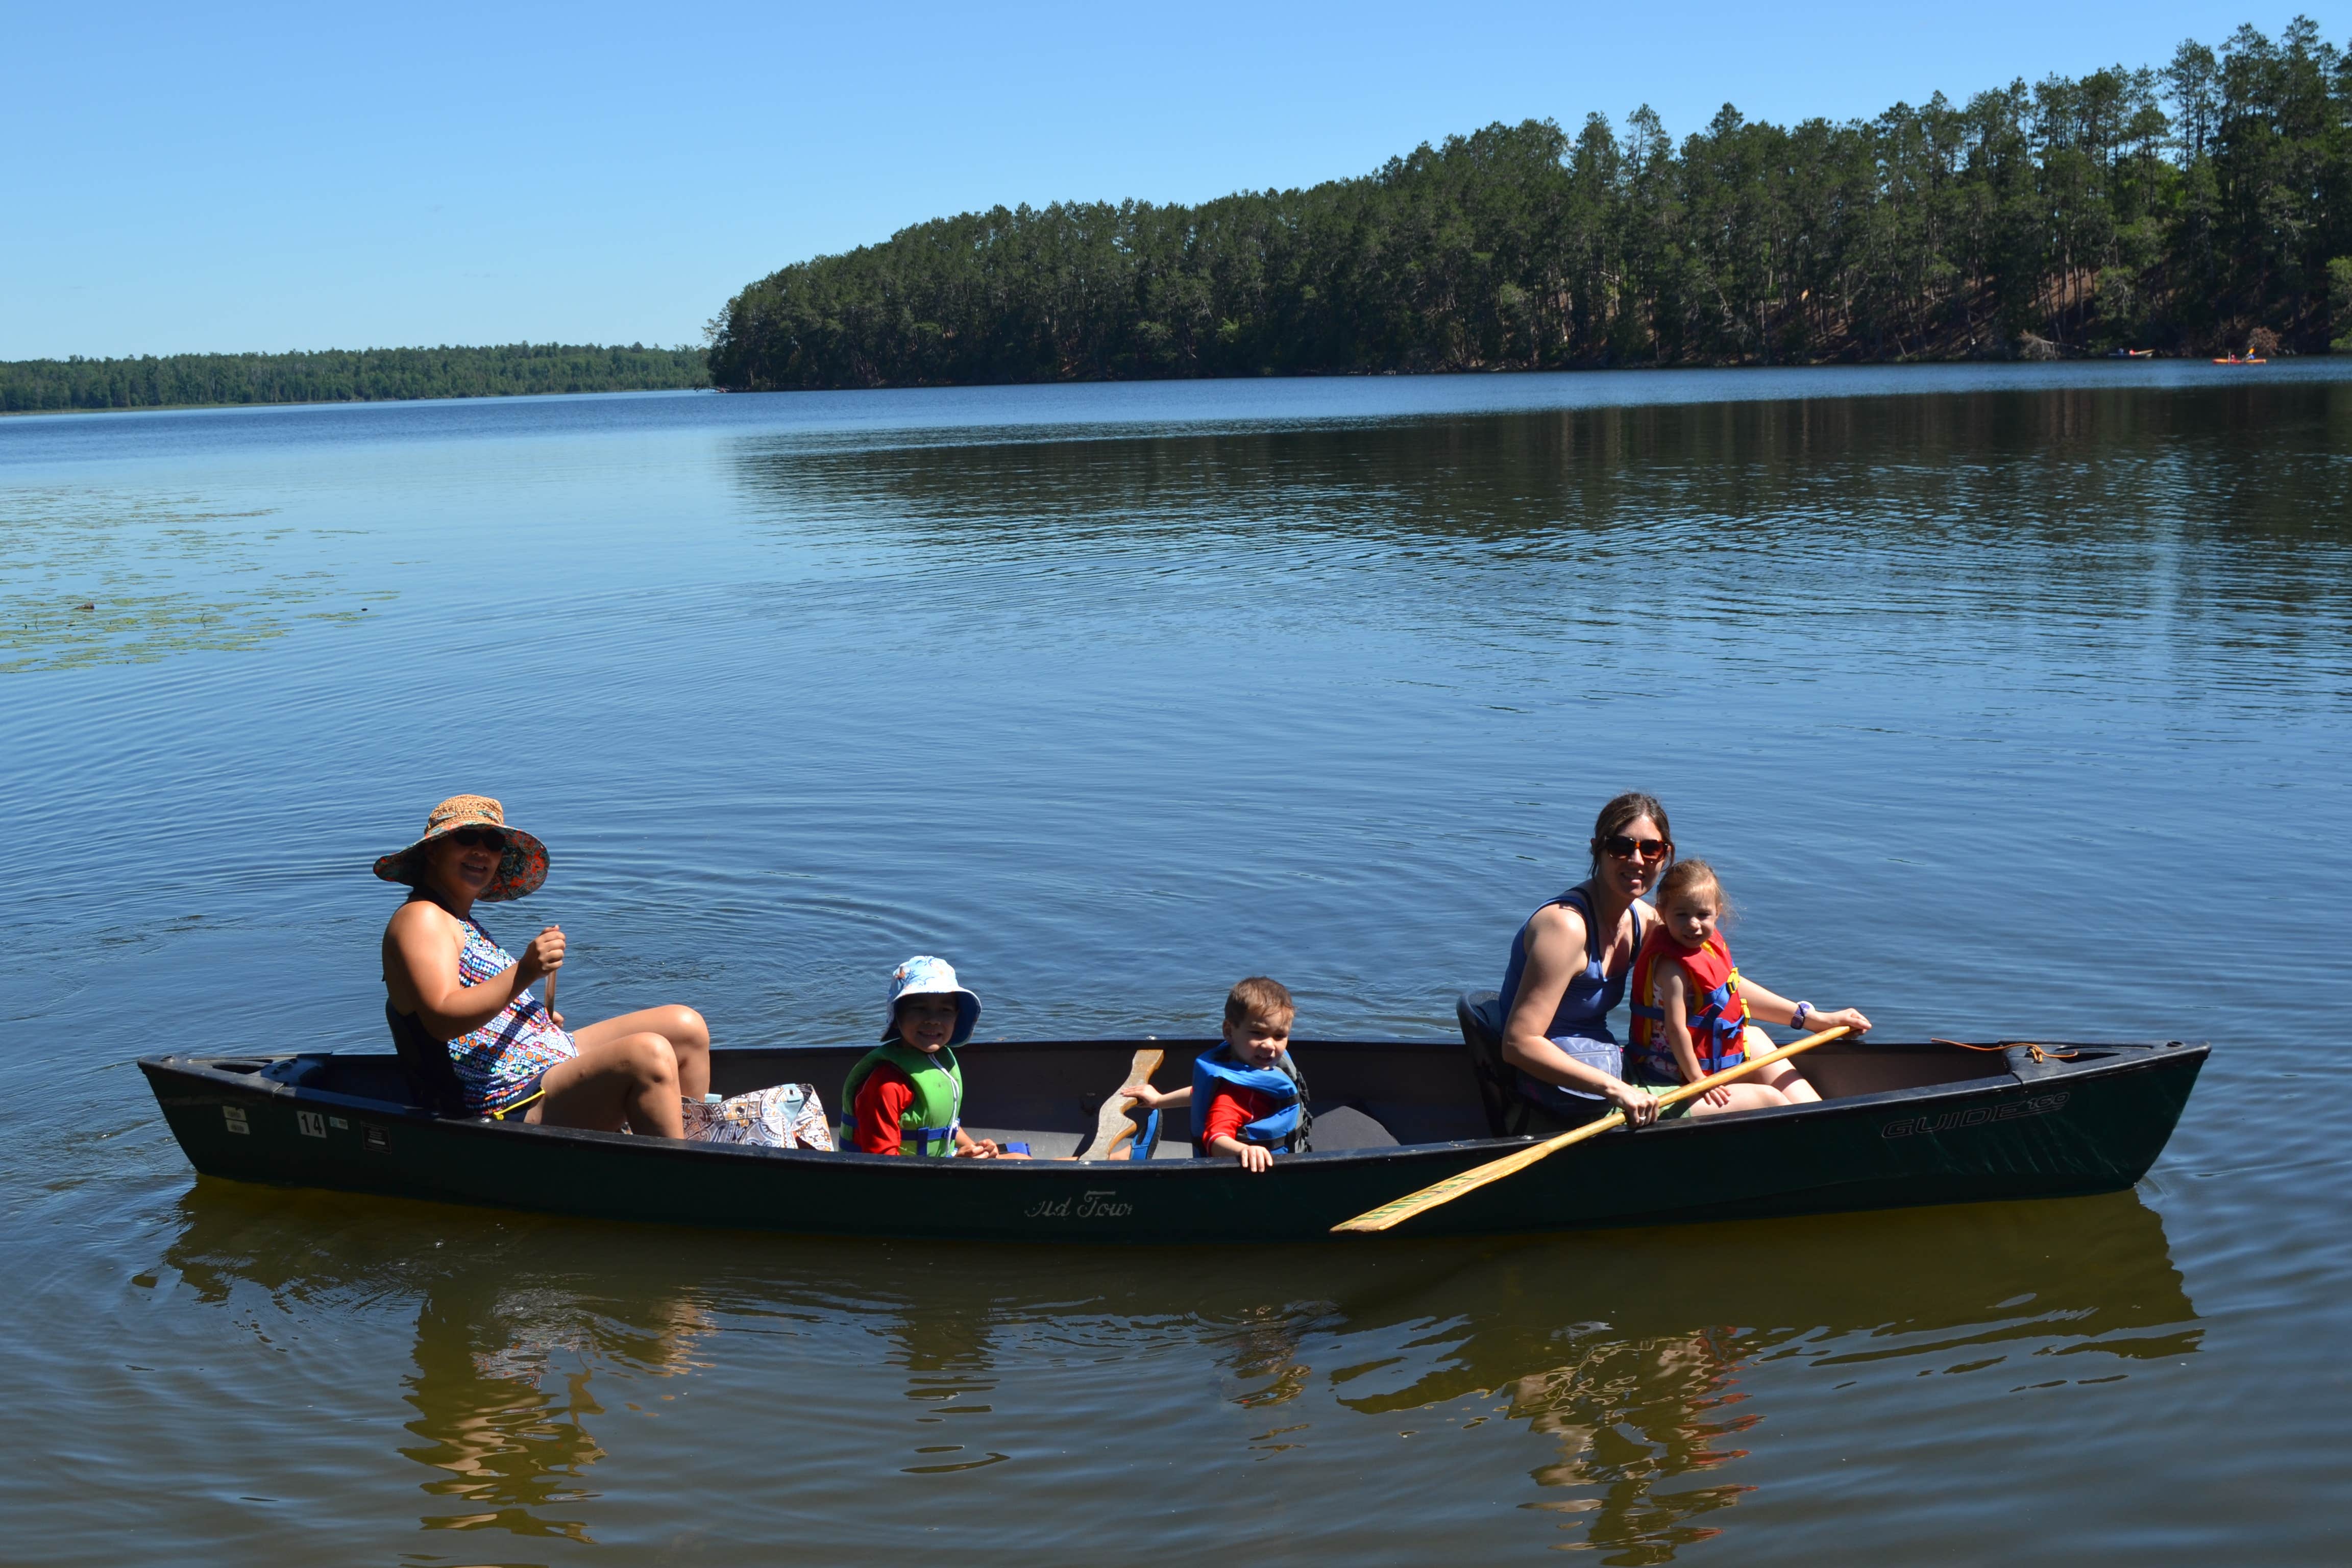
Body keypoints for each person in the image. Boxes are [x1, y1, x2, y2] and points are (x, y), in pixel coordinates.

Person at [377, 795, 711, 1137]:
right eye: (466, 839)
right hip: (504, 1098)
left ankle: (688, 1139)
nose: (481, 852)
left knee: (686, 1028)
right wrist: (525, 972)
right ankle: (679, 1175)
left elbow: (480, 1003)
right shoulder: (421, 918)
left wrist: (531, 1015)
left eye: (492, 843)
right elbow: (441, 1018)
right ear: (433, 851)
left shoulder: (460, 921)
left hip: (537, 1060)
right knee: (648, 1055)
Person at [1626, 858, 1871, 1116]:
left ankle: (1824, 1118)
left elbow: (1727, 989)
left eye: (1703, 914)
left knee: (1754, 1037)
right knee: (1773, 1097)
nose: (1693, 924)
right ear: (1663, 913)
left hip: (1710, 1057)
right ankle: (1813, 1131)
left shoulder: (1704, 946)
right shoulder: (1671, 969)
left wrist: (1814, 1019)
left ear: (1717, 912)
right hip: (1678, 1072)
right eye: (1682, 915)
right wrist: (1698, 1080)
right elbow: (1676, 1030)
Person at [1497, 791, 1674, 1129]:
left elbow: (1710, 976)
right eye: (1621, 847)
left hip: (1601, 1070)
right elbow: (1518, 1044)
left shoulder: (1640, 919)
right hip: (1561, 1092)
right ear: (1597, 848)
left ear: (1664, 856)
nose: (1637, 860)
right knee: (1764, 1101)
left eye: (1651, 849)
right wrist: (1618, 1089)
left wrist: (1802, 1016)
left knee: (1752, 1041)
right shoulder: (1565, 927)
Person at [843, 957, 1026, 1158]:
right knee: (1022, 1164)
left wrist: (978, 1149)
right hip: (904, 1179)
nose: (933, 1020)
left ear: (957, 1018)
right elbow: (880, 1162)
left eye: (945, 1011)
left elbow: (946, 1127)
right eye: (920, 1009)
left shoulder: (939, 1062)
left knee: (1019, 1159)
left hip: (939, 1165)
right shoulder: (886, 1085)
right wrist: (955, 1165)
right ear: (897, 1018)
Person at [1124, 976, 1309, 1173]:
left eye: (1279, 1036)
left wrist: (1160, 1100)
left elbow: (1203, 1093)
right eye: (1257, 1033)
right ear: (1229, 1031)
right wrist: (1245, 1150)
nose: (1270, 1045)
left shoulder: (1254, 1068)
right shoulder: (1234, 1096)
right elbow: (1215, 1140)